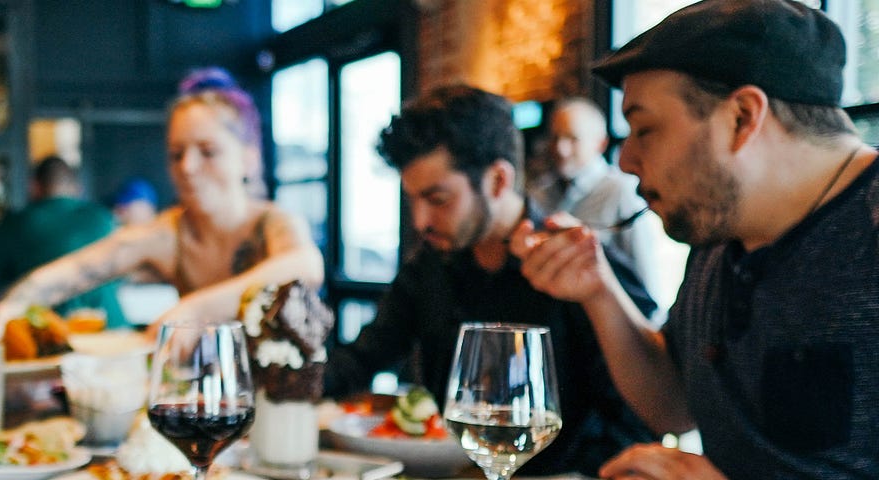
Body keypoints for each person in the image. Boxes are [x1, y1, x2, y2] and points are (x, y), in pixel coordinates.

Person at [510, 1, 879, 478]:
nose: (626, 161)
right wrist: (598, 290)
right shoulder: (722, 231)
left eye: (645, 129)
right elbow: (673, 405)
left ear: (743, 117)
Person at [321, 84, 658, 476]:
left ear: (498, 180)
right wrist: (281, 375)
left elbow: (640, 418)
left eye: (438, 199)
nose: (420, 221)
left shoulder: (578, 267)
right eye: (413, 200)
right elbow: (360, 359)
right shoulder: (429, 267)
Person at [0, 67, 322, 346]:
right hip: (208, 405)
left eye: (207, 151)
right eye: (176, 154)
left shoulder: (273, 222)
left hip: (286, 410)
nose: (187, 167)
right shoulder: (169, 233)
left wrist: (192, 310)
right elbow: (69, 274)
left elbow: (304, 266)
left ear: (249, 159)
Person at [527, 98, 666, 303]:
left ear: (600, 143)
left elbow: (645, 278)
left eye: (572, 139)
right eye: (555, 138)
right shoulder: (539, 193)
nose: (560, 148)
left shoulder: (621, 192)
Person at [0, 156, 126, 327]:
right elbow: (121, 276)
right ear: (75, 187)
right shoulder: (104, 217)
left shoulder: (15, 223)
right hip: (112, 330)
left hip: (49, 334)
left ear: (34, 186)